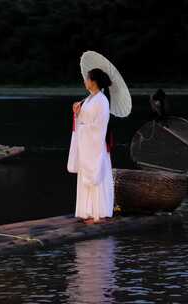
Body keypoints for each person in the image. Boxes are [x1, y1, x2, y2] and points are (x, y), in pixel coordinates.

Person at [67, 68, 114, 224]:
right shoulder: (89, 99)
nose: (85, 81)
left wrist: (82, 128)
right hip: (87, 144)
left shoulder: (102, 100)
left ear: (93, 81)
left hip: (95, 145)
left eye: (87, 79)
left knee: (97, 176)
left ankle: (98, 212)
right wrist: (77, 113)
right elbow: (84, 120)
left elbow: (100, 126)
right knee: (86, 176)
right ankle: (86, 212)